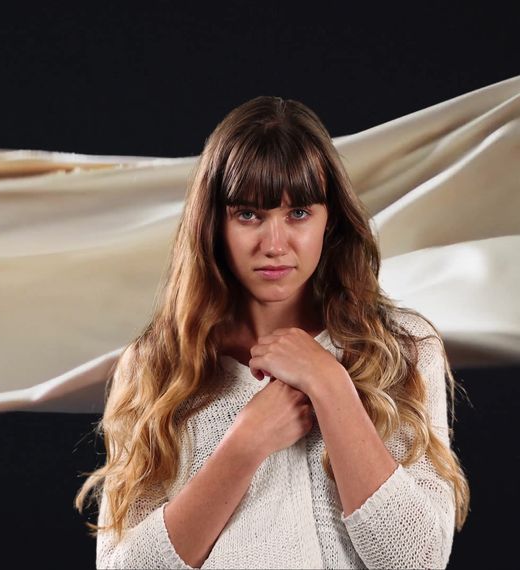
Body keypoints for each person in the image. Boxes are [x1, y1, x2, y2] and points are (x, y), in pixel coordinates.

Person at [74, 96, 471, 569]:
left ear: (332, 220)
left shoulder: (402, 349)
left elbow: (416, 560)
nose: (275, 245)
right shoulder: (158, 367)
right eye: (249, 215)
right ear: (213, 226)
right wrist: (244, 445)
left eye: (299, 213)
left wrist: (330, 386)